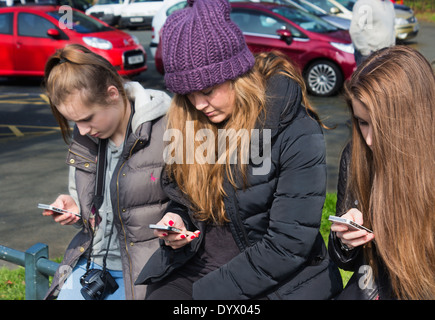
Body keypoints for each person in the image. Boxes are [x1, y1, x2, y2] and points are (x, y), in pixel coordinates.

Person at [134, 0, 343, 300]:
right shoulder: (191, 120)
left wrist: (204, 295)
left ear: (238, 77)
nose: (198, 105)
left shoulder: (296, 128)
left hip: (279, 279)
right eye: (188, 94)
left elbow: (288, 245)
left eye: (207, 91)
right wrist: (178, 219)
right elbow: (184, 199)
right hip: (199, 265)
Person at [42, 44, 171, 300]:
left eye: (88, 118)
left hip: (146, 272)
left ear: (113, 94)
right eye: (74, 122)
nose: (82, 130)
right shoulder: (86, 139)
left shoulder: (168, 130)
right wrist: (76, 209)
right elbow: (91, 214)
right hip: (92, 266)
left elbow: (191, 207)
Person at [329, 45, 435, 300]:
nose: (369, 140)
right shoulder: (355, 157)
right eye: (362, 122)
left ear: (414, 118)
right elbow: (346, 262)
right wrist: (347, 240)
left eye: (380, 125)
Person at [349, 0, 395, 65]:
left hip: (386, 53)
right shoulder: (364, 3)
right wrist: (365, 52)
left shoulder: (389, 4)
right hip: (369, 55)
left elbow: (392, 28)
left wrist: (392, 48)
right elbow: (355, 29)